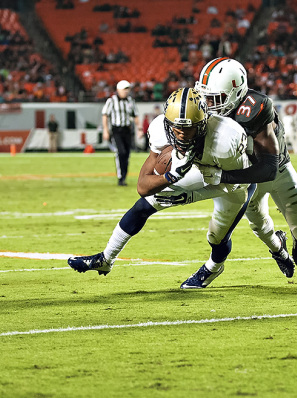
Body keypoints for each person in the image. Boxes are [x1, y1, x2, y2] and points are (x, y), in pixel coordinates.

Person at [69, 88, 256, 289]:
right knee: (144, 205)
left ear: (202, 124)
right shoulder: (159, 128)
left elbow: (247, 180)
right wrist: (170, 176)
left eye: (190, 128)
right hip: (193, 168)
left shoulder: (225, 138)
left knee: (216, 236)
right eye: (177, 128)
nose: (182, 134)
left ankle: (213, 267)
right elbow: (142, 185)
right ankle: (106, 259)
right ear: (167, 123)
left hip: (231, 181)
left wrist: (189, 195)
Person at [196, 57, 297, 273]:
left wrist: (220, 176)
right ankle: (279, 249)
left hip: (277, 172)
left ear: (236, 92)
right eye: (207, 98)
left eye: (216, 98)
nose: (210, 105)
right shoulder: (212, 112)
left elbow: (268, 169)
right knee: (259, 225)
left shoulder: (255, 109)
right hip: (247, 179)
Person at [102, 80, 141, 186]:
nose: (126, 91)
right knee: (121, 152)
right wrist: (105, 130)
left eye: (127, 89)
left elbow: (135, 115)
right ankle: (120, 177)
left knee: (127, 154)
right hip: (116, 130)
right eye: (124, 89)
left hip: (127, 130)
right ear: (118, 90)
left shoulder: (130, 101)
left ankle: (124, 176)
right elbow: (105, 115)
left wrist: (140, 129)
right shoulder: (111, 101)